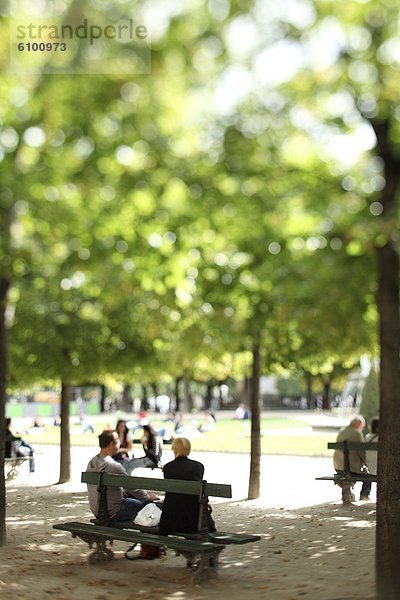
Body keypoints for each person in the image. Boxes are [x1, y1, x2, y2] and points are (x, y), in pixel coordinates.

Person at [86, 429, 152, 521]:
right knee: (147, 505)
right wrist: (147, 496)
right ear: (111, 445)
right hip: (114, 512)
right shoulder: (113, 466)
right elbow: (132, 487)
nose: (120, 443)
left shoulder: (92, 463)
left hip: (97, 511)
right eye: (117, 441)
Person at [159, 437, 215, 535]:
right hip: (193, 520)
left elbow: (173, 493)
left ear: (174, 449)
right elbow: (196, 490)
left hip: (171, 520)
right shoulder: (198, 467)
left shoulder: (168, 468)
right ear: (188, 449)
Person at [333, 416, 367, 503]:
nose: (362, 428)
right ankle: (364, 494)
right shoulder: (357, 433)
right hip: (351, 468)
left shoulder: (342, 432)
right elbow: (362, 452)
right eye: (362, 426)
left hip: (338, 466)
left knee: (347, 470)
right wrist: (366, 462)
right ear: (359, 424)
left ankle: (346, 491)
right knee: (367, 474)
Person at [361, 417, 379, 501]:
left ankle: (364, 494)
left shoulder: (367, 437)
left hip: (369, 469)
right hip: (382, 470)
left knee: (368, 471)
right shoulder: (386, 439)